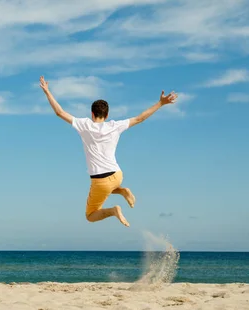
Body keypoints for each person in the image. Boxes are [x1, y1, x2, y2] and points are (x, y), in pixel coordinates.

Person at [39, 76, 177, 227]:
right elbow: (140, 119)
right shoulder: (114, 125)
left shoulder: (84, 125)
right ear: (107, 115)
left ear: (92, 114)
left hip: (100, 181)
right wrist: (161, 103)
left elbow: (60, 112)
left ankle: (114, 211)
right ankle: (123, 191)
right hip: (117, 176)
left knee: (90, 215)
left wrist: (47, 91)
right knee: (109, 188)